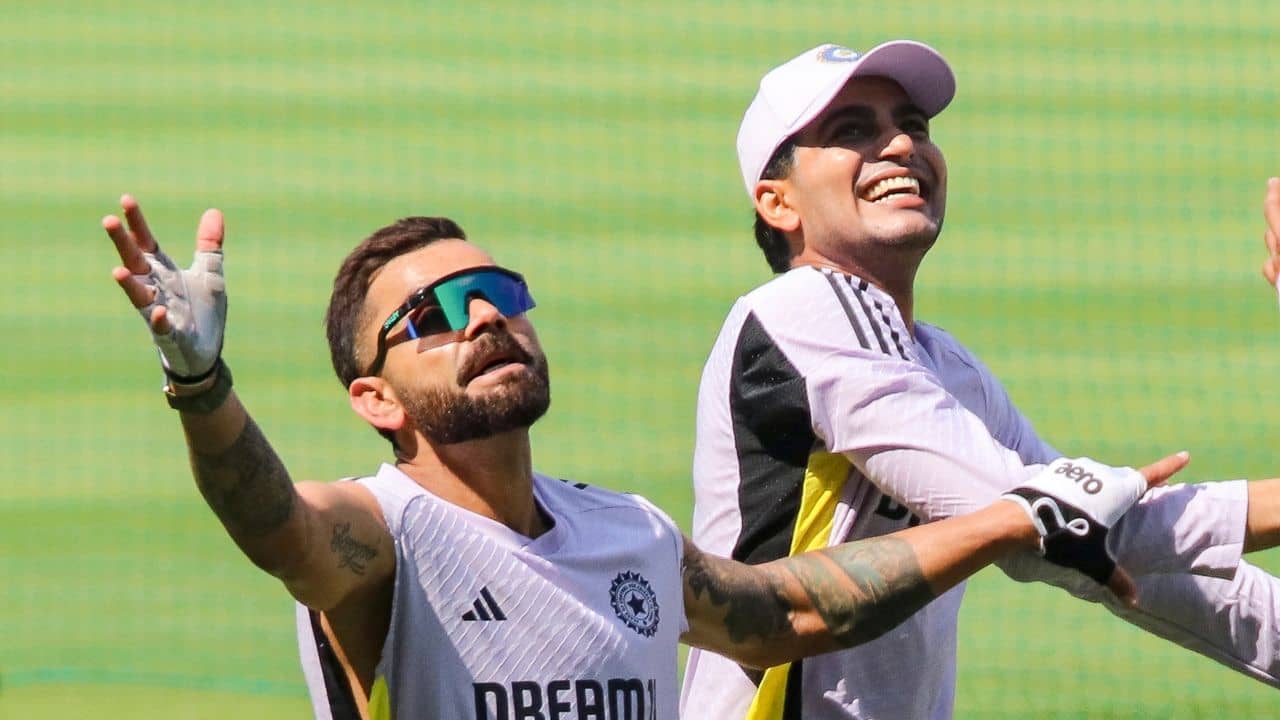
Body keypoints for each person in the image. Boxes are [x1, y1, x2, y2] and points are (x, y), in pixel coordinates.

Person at [102, 196, 1176, 720]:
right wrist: (201, 383)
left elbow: (793, 611)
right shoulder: (381, 534)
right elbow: (273, 525)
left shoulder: (626, 532)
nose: (484, 317)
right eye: (431, 313)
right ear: (373, 399)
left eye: (499, 292)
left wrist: (1011, 516)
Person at [680, 40, 1280, 719]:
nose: (901, 145)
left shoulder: (945, 367)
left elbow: (1095, 551)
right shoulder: (802, 311)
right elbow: (1038, 519)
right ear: (778, 202)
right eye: (852, 131)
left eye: (913, 125)